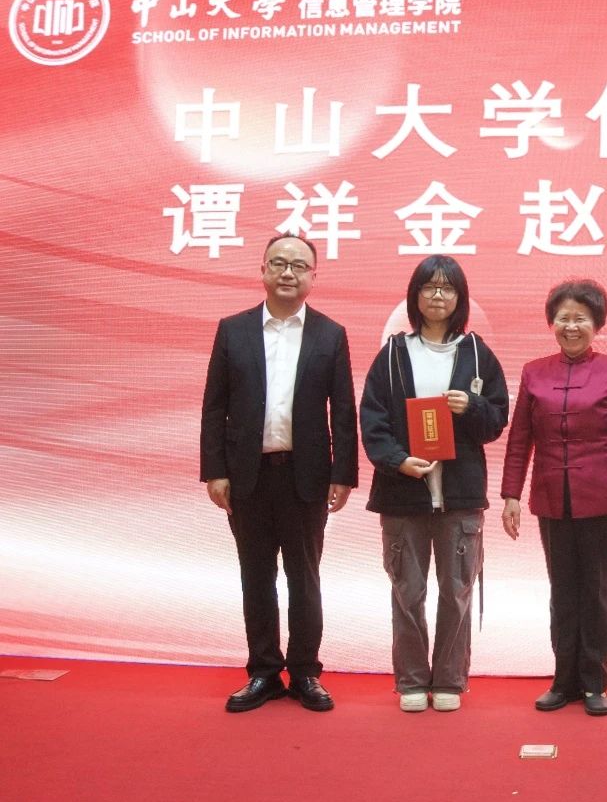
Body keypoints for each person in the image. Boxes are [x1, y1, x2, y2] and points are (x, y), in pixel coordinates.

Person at [200, 232, 357, 713]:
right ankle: (264, 672)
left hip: (305, 476)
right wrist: (214, 471)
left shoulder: (330, 334)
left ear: (313, 276)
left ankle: (306, 672)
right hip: (247, 475)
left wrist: (343, 474)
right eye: (279, 263)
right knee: (256, 576)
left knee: (304, 577)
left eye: (299, 265)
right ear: (263, 270)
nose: (288, 272)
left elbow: (343, 410)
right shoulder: (233, 330)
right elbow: (214, 407)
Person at [360, 256, 509, 713]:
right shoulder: (392, 354)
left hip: (460, 495)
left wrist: (472, 407)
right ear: (415, 295)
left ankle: (449, 680)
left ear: (460, 298)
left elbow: (497, 419)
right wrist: (397, 461)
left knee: (457, 590)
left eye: (448, 288)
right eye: (429, 287)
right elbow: (372, 420)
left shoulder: (477, 353)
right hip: (403, 493)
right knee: (407, 591)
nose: (438, 296)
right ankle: (410, 680)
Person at [500, 279, 607, 717]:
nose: (571, 326)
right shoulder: (534, 372)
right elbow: (519, 439)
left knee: (597, 591)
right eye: (563, 318)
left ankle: (595, 681)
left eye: (581, 318)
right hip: (551, 498)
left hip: (601, 500)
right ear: (552, 323)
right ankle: (563, 680)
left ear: (596, 323)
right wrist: (510, 494)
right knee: (562, 591)